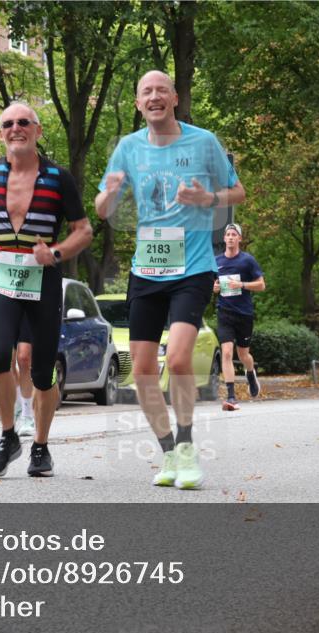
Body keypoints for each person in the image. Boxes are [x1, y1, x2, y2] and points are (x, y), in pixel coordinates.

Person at [96, 70, 245, 490]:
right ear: (139, 103)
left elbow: (238, 192)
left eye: (162, 90)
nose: (155, 96)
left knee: (178, 359)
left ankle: (186, 445)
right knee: (141, 369)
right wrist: (109, 193)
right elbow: (103, 207)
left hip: (193, 268)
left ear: (175, 98)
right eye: (147, 92)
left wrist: (209, 199)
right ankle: (167, 453)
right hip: (147, 269)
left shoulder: (204, 141)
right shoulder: (128, 148)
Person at [0, 102, 92, 477]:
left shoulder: (58, 177)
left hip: (44, 280)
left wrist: (55, 252)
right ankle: (8, 436)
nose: (15, 128)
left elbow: (82, 230)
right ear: (1, 132)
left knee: (41, 372)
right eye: (8, 124)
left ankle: (41, 445)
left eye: (23, 122)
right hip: (3, 275)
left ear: (37, 130)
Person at [0, 245, 35, 436]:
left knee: (24, 357)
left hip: (30, 293)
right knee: (6, 359)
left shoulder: (34, 222)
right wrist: (1, 274)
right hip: (4, 294)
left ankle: (28, 415)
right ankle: (18, 407)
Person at [213, 222, 265, 411]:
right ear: (225, 238)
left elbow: (261, 285)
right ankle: (231, 396)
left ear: (239, 239)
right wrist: (214, 288)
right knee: (226, 353)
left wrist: (242, 285)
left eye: (234, 234)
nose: (231, 237)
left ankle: (250, 374)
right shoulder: (217, 261)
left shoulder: (247, 261)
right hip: (224, 312)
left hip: (244, 314)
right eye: (228, 234)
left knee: (243, 355)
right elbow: (212, 284)